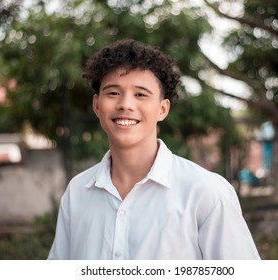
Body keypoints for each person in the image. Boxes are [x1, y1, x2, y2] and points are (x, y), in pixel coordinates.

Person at [48, 39, 260, 260]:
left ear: (162, 109)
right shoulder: (78, 192)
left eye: (140, 94)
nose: (126, 105)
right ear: (96, 105)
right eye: (113, 93)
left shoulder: (207, 193)